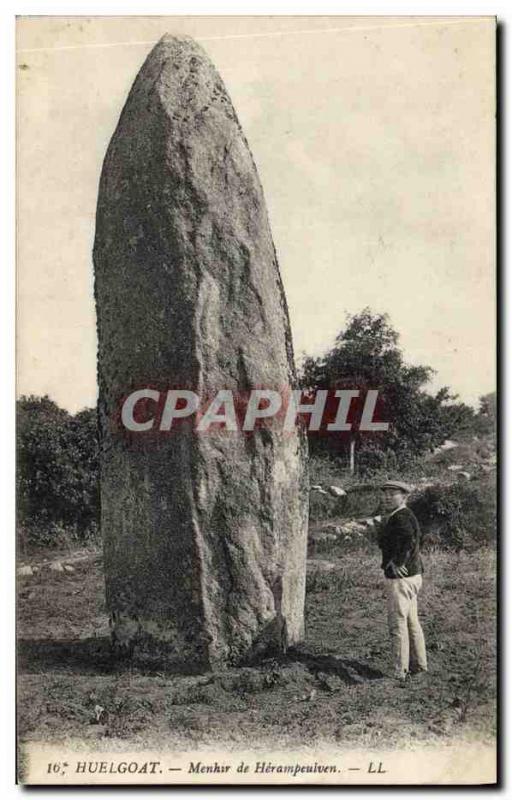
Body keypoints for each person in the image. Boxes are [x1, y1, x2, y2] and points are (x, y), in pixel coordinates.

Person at [377, 480, 428, 681]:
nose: (387, 497)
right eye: (385, 493)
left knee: (397, 624)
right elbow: (413, 540)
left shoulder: (401, 517)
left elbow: (409, 540)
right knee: (412, 622)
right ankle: (420, 665)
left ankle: (400, 671)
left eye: (393, 494)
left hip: (401, 579)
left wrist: (397, 562)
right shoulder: (403, 515)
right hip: (413, 576)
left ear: (404, 496)